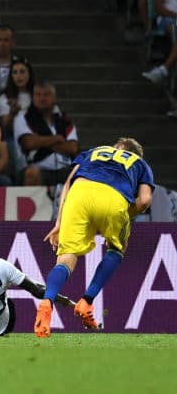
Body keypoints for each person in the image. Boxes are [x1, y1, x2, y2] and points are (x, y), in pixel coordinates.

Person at [36, 138, 155, 338]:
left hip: (79, 194)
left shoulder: (94, 151)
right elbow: (144, 200)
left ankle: (47, 301)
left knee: (66, 257)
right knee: (118, 248)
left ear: (117, 147)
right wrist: (121, 218)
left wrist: (59, 222)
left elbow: (68, 183)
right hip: (114, 197)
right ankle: (87, 302)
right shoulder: (140, 164)